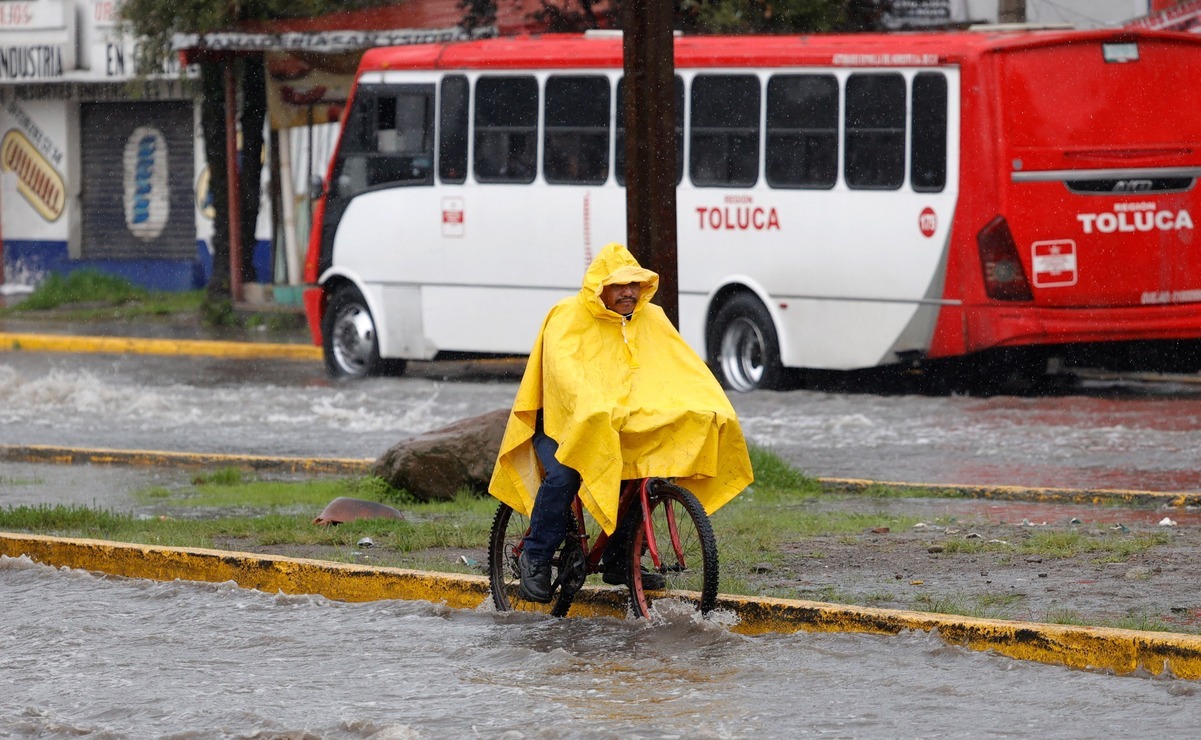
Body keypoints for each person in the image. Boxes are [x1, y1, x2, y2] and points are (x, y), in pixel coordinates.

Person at [489, 243, 754, 603]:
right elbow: (564, 378)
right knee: (564, 475)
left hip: (617, 424)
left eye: (634, 283)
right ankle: (535, 557)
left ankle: (619, 558)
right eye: (619, 285)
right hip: (557, 424)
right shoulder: (567, 317)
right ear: (601, 287)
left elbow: (683, 369)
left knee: (646, 471)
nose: (629, 291)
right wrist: (594, 408)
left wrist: (708, 405)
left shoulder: (652, 319)